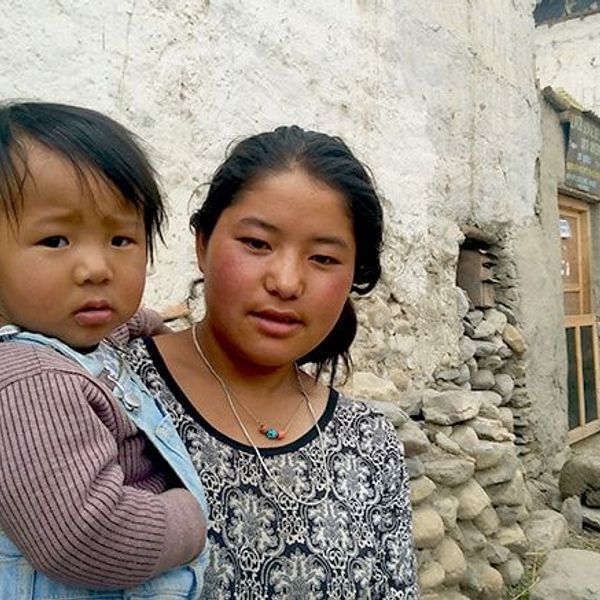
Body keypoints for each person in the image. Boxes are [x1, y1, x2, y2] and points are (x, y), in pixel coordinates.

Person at [127, 125, 419, 598]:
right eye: (257, 244)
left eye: (323, 258)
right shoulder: (105, 391)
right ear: (202, 243)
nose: (285, 282)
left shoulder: (370, 442)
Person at [0, 101, 208, 599]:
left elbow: (114, 332)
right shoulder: (31, 381)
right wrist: (189, 519)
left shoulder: (67, 339)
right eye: (55, 240)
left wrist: (148, 324)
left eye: (120, 239)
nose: (96, 268)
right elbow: (84, 538)